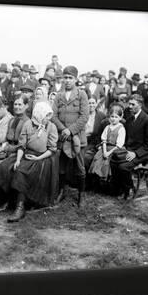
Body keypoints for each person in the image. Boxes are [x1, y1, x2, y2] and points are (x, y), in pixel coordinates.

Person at [0, 101, 59, 222]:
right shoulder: (28, 124)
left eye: (49, 116)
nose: (47, 118)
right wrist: (18, 159)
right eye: (46, 116)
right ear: (39, 114)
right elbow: (21, 146)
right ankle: (9, 200)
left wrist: (38, 158)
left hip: (42, 157)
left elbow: (52, 149)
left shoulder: (51, 127)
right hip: (26, 154)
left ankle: (20, 207)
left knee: (21, 172)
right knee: (7, 167)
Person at [51, 65, 90, 207]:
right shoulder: (58, 96)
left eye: (70, 78)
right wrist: (64, 130)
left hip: (77, 138)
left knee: (80, 167)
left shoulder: (82, 95)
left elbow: (84, 116)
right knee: (61, 166)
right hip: (63, 137)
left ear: (75, 79)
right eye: (65, 78)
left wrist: (71, 130)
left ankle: (81, 194)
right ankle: (61, 191)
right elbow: (53, 116)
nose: (67, 81)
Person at [110, 94, 148, 201]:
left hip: (142, 154)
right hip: (129, 151)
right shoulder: (129, 119)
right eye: (129, 104)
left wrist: (135, 153)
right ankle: (120, 188)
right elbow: (126, 139)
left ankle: (129, 189)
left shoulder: (147, 120)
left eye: (132, 104)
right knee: (113, 160)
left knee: (123, 166)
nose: (129, 106)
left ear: (139, 105)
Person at [88, 104, 126, 180]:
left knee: (107, 162)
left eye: (116, 117)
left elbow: (119, 145)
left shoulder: (121, 128)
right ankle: (97, 178)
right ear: (109, 117)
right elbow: (104, 140)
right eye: (112, 116)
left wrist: (108, 153)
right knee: (97, 158)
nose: (113, 119)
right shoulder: (107, 127)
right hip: (106, 147)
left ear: (120, 118)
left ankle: (106, 178)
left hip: (115, 149)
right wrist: (104, 151)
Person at [83, 96, 107, 170]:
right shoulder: (82, 114)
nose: (91, 105)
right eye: (89, 103)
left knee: (85, 157)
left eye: (93, 103)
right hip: (83, 140)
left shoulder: (101, 115)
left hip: (95, 142)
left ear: (96, 104)